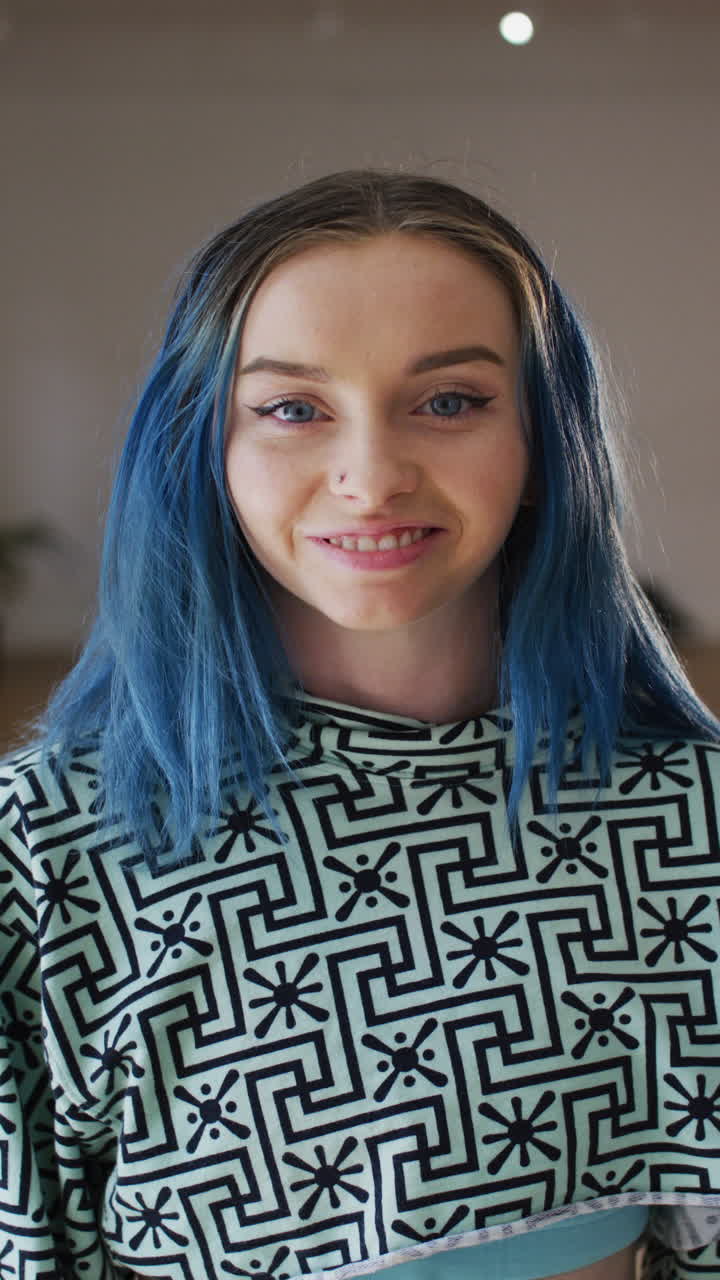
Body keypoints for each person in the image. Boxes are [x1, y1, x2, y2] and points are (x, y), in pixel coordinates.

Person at [1, 169, 719, 1280]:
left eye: (451, 401)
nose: (372, 477)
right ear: (204, 448)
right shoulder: (49, 850)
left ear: (544, 441)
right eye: (294, 409)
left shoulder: (693, 820)